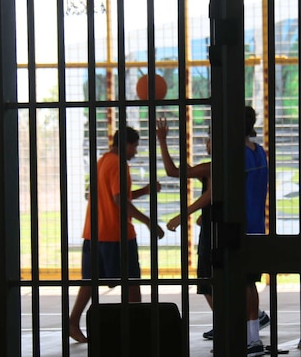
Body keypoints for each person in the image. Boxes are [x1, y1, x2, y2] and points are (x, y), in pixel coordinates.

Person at [68, 126, 164, 343]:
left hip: (94, 233)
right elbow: (120, 201)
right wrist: (149, 222)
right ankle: (138, 329)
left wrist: (145, 190)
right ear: (127, 144)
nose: (135, 152)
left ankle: (72, 322)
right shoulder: (120, 165)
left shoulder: (103, 161)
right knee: (131, 284)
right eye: (135, 146)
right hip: (116, 235)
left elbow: (118, 195)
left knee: (90, 282)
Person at [156, 118, 215, 338]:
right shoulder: (213, 167)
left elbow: (211, 194)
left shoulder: (212, 167)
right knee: (210, 278)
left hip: (214, 230)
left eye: (209, 140)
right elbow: (175, 171)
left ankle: (229, 323)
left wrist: (183, 216)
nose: (206, 143)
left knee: (207, 278)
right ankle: (237, 320)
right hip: (213, 224)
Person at [244, 106, 269, 357]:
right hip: (257, 225)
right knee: (249, 283)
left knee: (242, 284)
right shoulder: (260, 153)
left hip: (240, 224)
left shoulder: (237, 154)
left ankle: (251, 339)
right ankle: (253, 337)